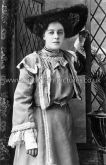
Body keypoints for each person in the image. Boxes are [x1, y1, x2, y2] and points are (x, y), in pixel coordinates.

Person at [8, 4, 88, 165]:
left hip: (63, 120)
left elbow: (81, 66)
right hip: (39, 122)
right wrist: (29, 137)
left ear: (65, 35)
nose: (56, 36)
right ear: (43, 36)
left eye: (60, 32)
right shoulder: (32, 61)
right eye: (51, 32)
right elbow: (21, 100)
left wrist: (80, 42)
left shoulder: (68, 58)